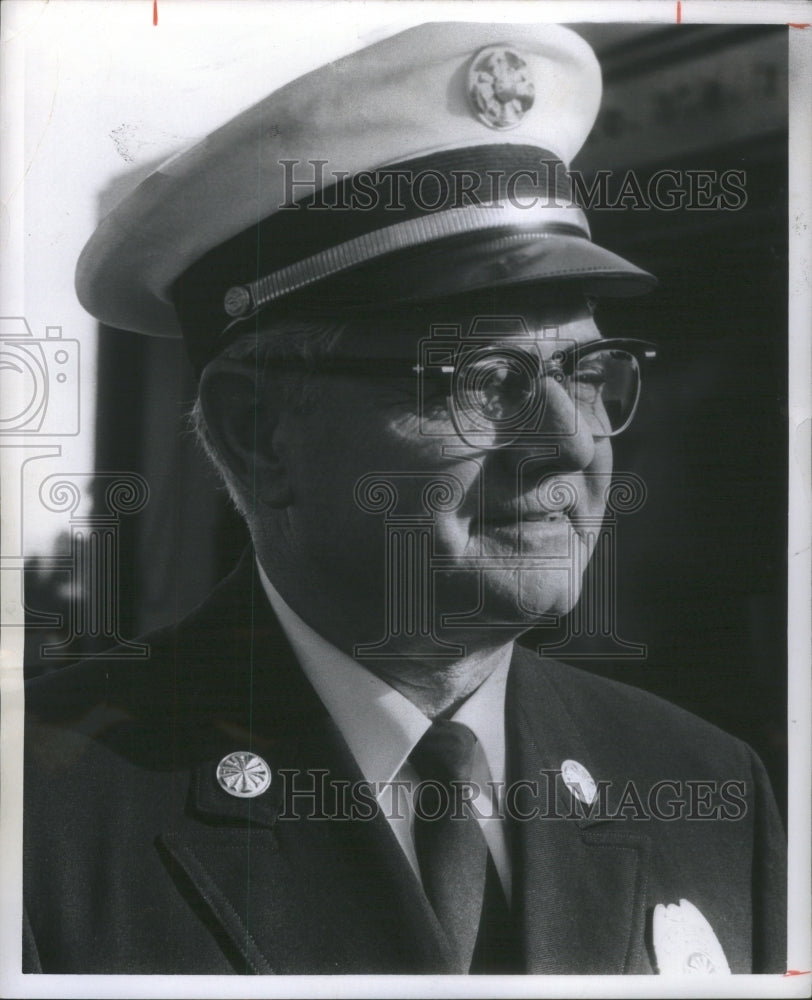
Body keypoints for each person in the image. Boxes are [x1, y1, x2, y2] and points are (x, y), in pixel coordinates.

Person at [23, 22, 786, 976]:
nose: (572, 441)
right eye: (488, 378)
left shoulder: (705, 783)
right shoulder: (43, 816)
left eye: (590, 369)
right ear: (261, 431)